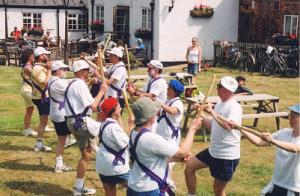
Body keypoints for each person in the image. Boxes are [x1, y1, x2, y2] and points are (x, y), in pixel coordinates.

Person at [127, 97, 202, 195]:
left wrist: (177, 159)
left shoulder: (134, 133)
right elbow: (183, 151)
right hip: (149, 189)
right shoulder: (151, 139)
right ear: (150, 117)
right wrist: (193, 128)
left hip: (134, 186)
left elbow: (149, 159)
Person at [185, 76, 242, 196]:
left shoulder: (235, 107)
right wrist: (200, 116)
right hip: (213, 151)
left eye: (219, 86)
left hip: (226, 155)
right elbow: (214, 126)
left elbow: (228, 126)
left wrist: (211, 112)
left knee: (218, 189)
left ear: (225, 90)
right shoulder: (220, 103)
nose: (217, 88)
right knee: (189, 166)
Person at [64, 60, 107, 196]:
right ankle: (113, 168)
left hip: (73, 121)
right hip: (81, 123)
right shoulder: (80, 84)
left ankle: (78, 187)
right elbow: (93, 106)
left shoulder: (73, 83)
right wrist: (102, 91)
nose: (88, 73)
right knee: (107, 131)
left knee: (86, 154)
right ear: (82, 72)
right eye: (87, 71)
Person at [241, 103, 300, 196]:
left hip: (292, 188)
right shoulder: (284, 133)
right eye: (290, 115)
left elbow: (295, 149)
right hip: (277, 183)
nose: (290, 118)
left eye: (294, 116)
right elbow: (259, 142)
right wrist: (239, 128)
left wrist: (272, 140)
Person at [96, 97, 130, 196]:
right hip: (115, 167)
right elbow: (129, 144)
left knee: (110, 192)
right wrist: (131, 126)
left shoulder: (104, 124)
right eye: (119, 106)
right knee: (137, 189)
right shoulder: (113, 128)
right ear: (114, 111)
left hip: (103, 166)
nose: (121, 108)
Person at [156, 79, 185, 190]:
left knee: (168, 159)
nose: (167, 89)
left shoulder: (178, 102)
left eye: (169, 88)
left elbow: (173, 111)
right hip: (163, 134)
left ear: (174, 90)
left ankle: (169, 183)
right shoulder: (169, 100)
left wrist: (160, 103)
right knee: (162, 159)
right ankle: (165, 180)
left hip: (170, 136)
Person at [48, 61, 72, 173]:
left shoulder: (54, 80)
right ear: (57, 71)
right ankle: (58, 165)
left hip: (57, 112)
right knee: (62, 140)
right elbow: (73, 91)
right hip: (60, 114)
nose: (65, 71)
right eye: (63, 69)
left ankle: (59, 163)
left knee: (63, 139)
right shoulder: (58, 83)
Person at [31, 47, 52, 152]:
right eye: (45, 54)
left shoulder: (38, 66)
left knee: (44, 121)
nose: (47, 56)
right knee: (43, 122)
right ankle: (39, 144)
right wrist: (49, 70)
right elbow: (45, 82)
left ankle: (39, 143)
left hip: (40, 97)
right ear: (40, 56)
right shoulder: (38, 68)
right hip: (41, 97)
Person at [20, 49, 37, 137]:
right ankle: (28, 129)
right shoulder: (27, 67)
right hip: (28, 89)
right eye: (33, 55)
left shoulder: (29, 65)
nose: (34, 57)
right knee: (43, 106)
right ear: (29, 56)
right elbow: (36, 77)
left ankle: (27, 129)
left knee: (29, 110)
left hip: (27, 89)